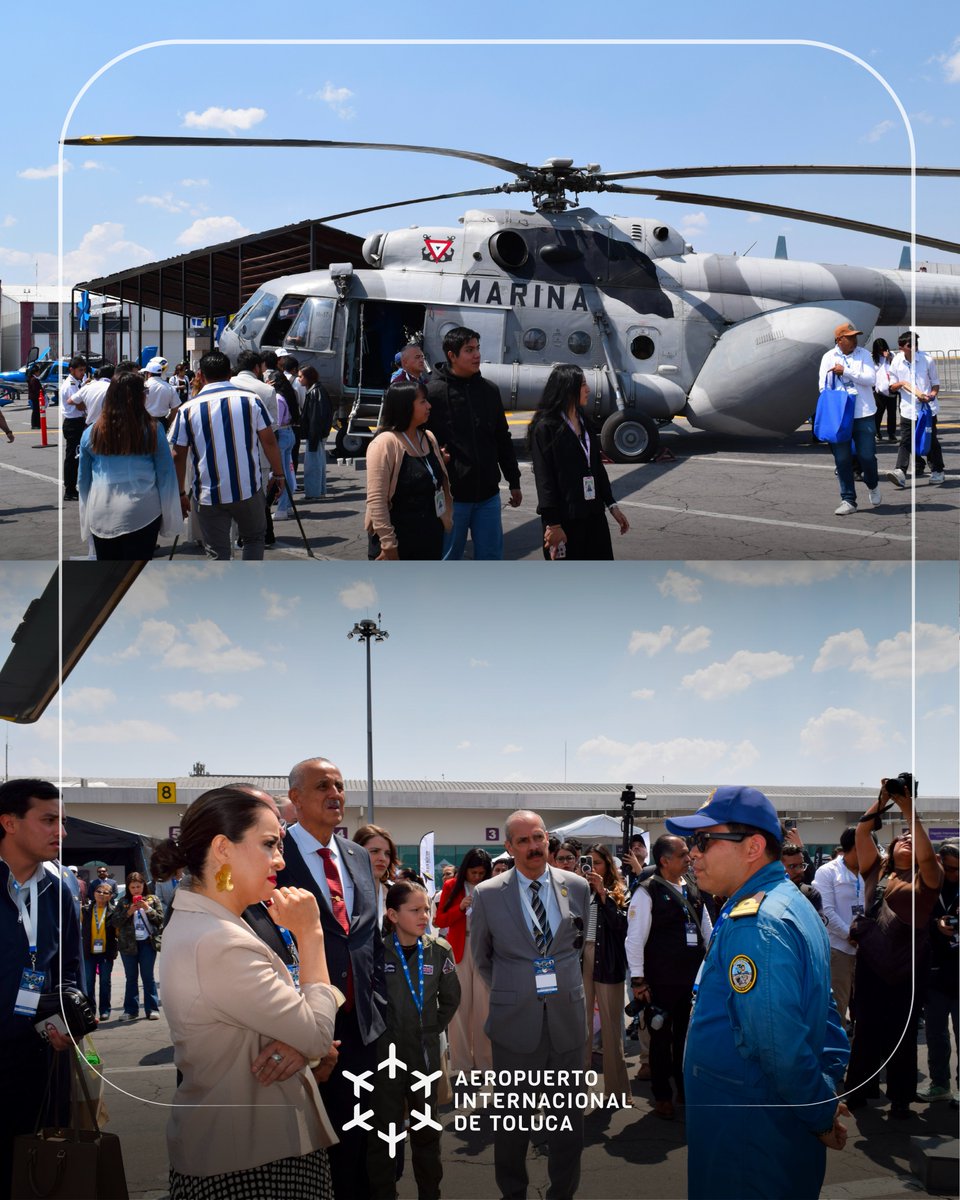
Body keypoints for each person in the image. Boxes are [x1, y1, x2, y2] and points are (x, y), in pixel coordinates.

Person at [152, 786, 342, 1199]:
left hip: (250, 1147)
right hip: (252, 1160)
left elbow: (306, 1028)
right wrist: (311, 936)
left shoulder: (216, 925)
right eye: (270, 844)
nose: (280, 860)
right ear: (223, 848)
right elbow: (314, 1033)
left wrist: (305, 1038)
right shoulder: (220, 940)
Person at [666, 786, 850, 1200]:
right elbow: (826, 1016)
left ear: (752, 847)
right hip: (764, 1126)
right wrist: (826, 1087)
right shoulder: (787, 902)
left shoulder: (756, 923)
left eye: (703, 841)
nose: (692, 853)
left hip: (748, 1134)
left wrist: (819, 1111)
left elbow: (780, 1046)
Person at [277, 757, 387, 1200]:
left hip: (361, 1023)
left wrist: (375, 1000)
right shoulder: (275, 856)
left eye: (340, 785)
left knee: (357, 1135)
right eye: (323, 785)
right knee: (306, 1140)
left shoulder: (358, 855)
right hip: (302, 1023)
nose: (335, 793)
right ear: (296, 799)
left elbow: (367, 937)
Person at [470, 809, 591, 1200]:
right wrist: (515, 989)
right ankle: (513, 1193)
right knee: (512, 1126)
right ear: (508, 847)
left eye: (537, 837)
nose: (533, 847)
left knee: (568, 1125)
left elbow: (576, 943)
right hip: (514, 1024)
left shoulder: (577, 886)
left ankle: (562, 1193)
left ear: (547, 840)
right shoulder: (488, 895)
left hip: (567, 1023)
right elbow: (481, 957)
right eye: (522, 841)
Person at [844, 778, 943, 1118]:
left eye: (912, 840)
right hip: (871, 962)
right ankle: (858, 1090)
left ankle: (901, 1098)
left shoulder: (928, 878)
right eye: (901, 837)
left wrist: (907, 807)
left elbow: (928, 857)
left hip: (908, 964)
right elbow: (861, 833)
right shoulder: (877, 869)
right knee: (867, 1029)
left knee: (901, 1032)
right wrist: (883, 799)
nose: (906, 840)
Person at [0, 780, 79, 1200]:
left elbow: (68, 969)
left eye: (62, 821)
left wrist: (70, 1017)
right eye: (49, 820)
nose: (61, 832)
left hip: (43, 1058)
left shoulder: (58, 889)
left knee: (41, 1172)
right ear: (9, 823)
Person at [367, 880, 461, 1200]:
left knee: (427, 1132)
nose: (425, 916)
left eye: (427, 909)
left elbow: (450, 1000)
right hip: (385, 1055)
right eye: (415, 910)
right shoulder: (377, 951)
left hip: (423, 1054)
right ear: (392, 914)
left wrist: (431, 1030)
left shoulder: (439, 949)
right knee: (383, 1133)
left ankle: (429, 1194)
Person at [169, 349, 286, 560]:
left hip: (207, 493)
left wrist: (180, 493)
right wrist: (278, 474)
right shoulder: (251, 401)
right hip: (247, 487)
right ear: (229, 373)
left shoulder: (188, 409)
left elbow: (178, 454)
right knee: (254, 539)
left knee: (216, 551)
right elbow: (269, 440)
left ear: (200, 376)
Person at [626, 834, 712, 1119]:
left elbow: (706, 930)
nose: (689, 858)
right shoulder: (646, 891)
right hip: (660, 982)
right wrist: (638, 981)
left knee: (687, 1040)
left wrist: (712, 962)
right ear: (664, 860)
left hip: (692, 981)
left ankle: (686, 1091)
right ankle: (662, 1096)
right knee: (661, 1040)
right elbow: (634, 939)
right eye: (683, 854)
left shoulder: (693, 888)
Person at [425, 326, 522, 560]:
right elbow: (417, 441)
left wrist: (514, 480)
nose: (477, 355)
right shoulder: (432, 393)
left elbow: (502, 437)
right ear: (451, 355)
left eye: (477, 348)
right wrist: (434, 454)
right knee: (448, 560)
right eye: (469, 350)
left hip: (488, 497)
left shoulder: (489, 391)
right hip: (451, 497)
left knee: (490, 558)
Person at [528, 363, 629, 559]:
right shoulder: (545, 428)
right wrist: (553, 524)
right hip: (564, 519)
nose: (588, 389)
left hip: (593, 514)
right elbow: (544, 480)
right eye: (583, 384)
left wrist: (612, 506)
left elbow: (598, 469)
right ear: (568, 389)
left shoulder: (585, 422)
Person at [77, 371, 182, 560]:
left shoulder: (92, 432)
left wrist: (86, 515)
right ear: (141, 396)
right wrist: (170, 515)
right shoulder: (152, 429)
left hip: (102, 512)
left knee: (109, 578)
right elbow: (166, 475)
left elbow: (83, 481)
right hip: (143, 511)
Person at [365, 381, 453, 560]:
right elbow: (376, 500)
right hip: (398, 541)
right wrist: (389, 544)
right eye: (422, 402)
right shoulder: (384, 443)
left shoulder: (428, 437)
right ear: (404, 407)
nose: (429, 406)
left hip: (429, 538)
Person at [434, 848, 493, 1074]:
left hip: (485, 950)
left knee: (484, 1007)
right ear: (465, 869)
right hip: (458, 948)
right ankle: (461, 1063)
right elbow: (439, 920)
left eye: (481, 873)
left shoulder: (491, 888)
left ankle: (486, 1061)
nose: (477, 877)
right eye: (473, 872)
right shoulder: (451, 887)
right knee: (459, 1006)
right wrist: (460, 908)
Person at [581, 843, 630, 1101]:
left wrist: (603, 893)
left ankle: (618, 1090)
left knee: (611, 1027)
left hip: (608, 959)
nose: (592, 868)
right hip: (580, 960)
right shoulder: (577, 888)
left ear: (607, 865)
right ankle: (579, 1090)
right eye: (588, 863)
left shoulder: (619, 890)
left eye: (597, 863)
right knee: (582, 1027)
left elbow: (622, 927)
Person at [817, 322, 880, 516]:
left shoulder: (864, 354)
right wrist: (839, 401)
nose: (855, 340)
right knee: (842, 459)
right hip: (840, 416)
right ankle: (848, 500)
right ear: (839, 339)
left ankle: (872, 484)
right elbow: (822, 386)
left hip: (863, 412)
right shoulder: (828, 357)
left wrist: (846, 371)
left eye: (855, 336)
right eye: (850, 337)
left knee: (866, 455)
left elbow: (871, 379)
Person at [919, 840, 958, 1104]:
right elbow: (915, 921)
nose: (955, 874)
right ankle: (939, 1083)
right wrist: (936, 924)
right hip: (934, 973)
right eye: (950, 868)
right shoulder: (927, 886)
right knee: (935, 1032)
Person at [813, 827, 862, 1026]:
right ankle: (836, 1055)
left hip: (865, 949)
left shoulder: (869, 872)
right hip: (838, 949)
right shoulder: (827, 872)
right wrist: (849, 934)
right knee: (837, 1007)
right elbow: (825, 912)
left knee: (867, 1006)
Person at [886, 330, 946, 487]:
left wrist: (931, 395)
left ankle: (937, 470)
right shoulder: (897, 361)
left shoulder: (927, 360)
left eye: (913, 344)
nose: (912, 347)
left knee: (930, 440)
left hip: (927, 409)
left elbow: (935, 383)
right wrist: (901, 384)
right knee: (905, 440)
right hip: (907, 409)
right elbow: (892, 386)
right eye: (907, 345)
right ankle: (900, 471)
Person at [110, 871, 163, 1020]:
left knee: (148, 977)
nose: (136, 890)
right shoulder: (123, 902)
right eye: (132, 887)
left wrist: (148, 908)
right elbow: (114, 922)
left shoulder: (153, 899)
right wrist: (128, 912)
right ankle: (130, 1010)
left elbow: (160, 919)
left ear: (143, 886)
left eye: (138, 886)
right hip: (128, 945)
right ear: (128, 888)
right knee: (131, 978)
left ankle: (152, 1009)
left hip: (147, 943)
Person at [81, 879, 119, 1020]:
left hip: (106, 952)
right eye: (99, 891)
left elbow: (118, 932)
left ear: (110, 896)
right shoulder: (85, 910)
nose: (102, 894)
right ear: (94, 893)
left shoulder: (114, 912)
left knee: (105, 982)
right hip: (89, 952)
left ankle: (105, 1010)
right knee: (89, 983)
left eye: (105, 892)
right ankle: (90, 1010)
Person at [353, 823, 399, 926]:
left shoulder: (397, 895)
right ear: (355, 852)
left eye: (387, 853)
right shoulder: (344, 892)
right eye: (374, 851)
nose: (382, 858)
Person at [299, 365, 333, 500]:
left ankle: (313, 493)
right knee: (318, 464)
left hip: (315, 435)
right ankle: (319, 491)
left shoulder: (315, 393)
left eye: (301, 376)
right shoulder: (318, 391)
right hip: (318, 435)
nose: (299, 379)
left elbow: (315, 418)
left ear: (308, 378)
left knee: (312, 466)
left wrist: (313, 436)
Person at [60, 355, 89, 502]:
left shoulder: (78, 381)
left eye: (84, 370)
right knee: (72, 457)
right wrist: (90, 403)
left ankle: (73, 487)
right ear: (71, 370)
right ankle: (69, 490)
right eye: (80, 370)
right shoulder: (70, 385)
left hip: (78, 422)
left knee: (77, 456)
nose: (83, 373)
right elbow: (79, 404)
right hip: (73, 423)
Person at [780, 839, 825, 919]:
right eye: (792, 866)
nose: (799, 871)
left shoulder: (810, 894)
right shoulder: (767, 893)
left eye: (801, 865)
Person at [871, 337, 897, 441]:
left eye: (884, 349)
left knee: (892, 413)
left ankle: (891, 433)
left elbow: (896, 367)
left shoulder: (893, 356)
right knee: (878, 412)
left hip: (891, 388)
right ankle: (877, 432)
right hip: (879, 390)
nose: (882, 352)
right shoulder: (873, 358)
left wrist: (889, 358)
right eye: (880, 350)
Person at [142, 356, 181, 425]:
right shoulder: (170, 388)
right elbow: (175, 408)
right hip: (162, 422)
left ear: (149, 373)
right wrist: (169, 423)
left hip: (145, 421)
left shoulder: (144, 386)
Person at [26, 364, 42, 430]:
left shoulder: (32, 379)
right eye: (38, 372)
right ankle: (35, 424)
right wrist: (41, 390)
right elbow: (35, 389)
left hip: (34, 397)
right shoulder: (34, 379)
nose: (39, 373)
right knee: (36, 411)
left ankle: (37, 424)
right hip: (35, 397)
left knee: (36, 411)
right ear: (35, 372)